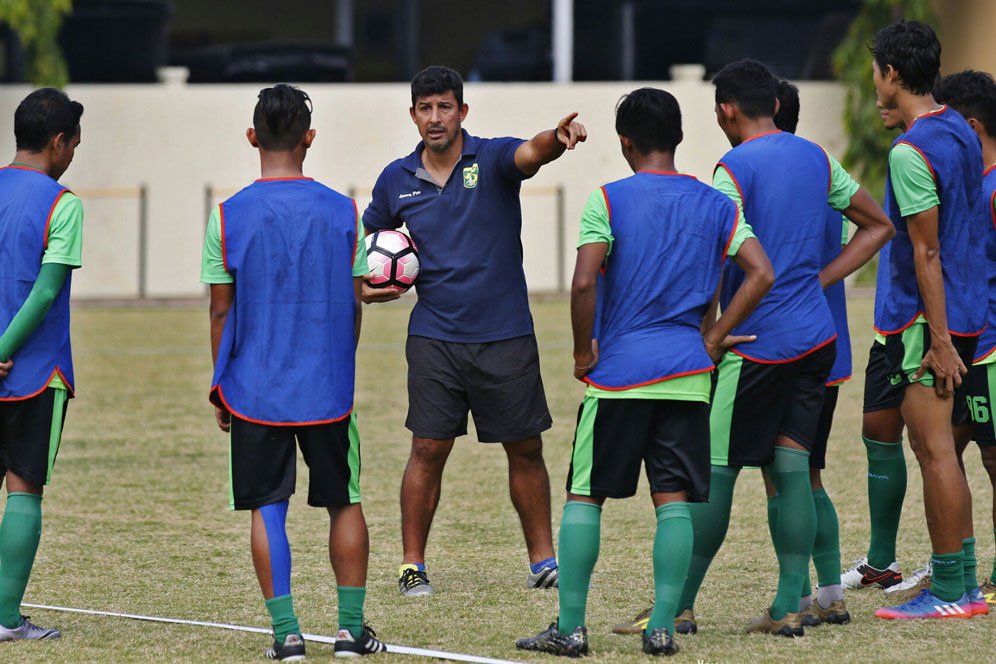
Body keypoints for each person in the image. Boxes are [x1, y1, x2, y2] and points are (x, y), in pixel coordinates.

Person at [516, 87, 773, 658]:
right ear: (678, 138)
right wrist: (709, 339)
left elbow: (584, 282)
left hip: (619, 377)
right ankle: (661, 626)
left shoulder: (606, 200)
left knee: (585, 495)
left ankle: (571, 628)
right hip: (688, 376)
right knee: (674, 500)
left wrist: (584, 353)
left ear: (625, 141)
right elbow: (760, 273)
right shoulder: (717, 206)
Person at [668, 59, 893, 638]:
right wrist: (818, 280)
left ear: (726, 110)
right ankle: (789, 605)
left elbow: (724, 261)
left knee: (714, 474)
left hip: (756, 344)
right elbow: (877, 226)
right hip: (817, 338)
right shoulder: (816, 156)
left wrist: (712, 336)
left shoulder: (731, 169)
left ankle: (678, 608)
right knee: (794, 467)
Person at [361, 66, 587, 596]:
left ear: (463, 112)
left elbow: (530, 152)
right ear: (413, 115)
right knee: (428, 449)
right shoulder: (395, 179)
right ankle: (412, 565)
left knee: (525, 449)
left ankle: (543, 560)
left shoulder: (491, 158)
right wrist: (363, 286)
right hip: (435, 337)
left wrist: (556, 138)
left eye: (445, 107)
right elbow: (368, 241)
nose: (435, 118)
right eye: (425, 108)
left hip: (505, 333)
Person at [202, 84, 385, 659]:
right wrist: (339, 360)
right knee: (344, 501)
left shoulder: (227, 217)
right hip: (327, 389)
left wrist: (221, 384)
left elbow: (220, 308)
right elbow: (354, 303)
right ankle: (351, 632)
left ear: (252, 137)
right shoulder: (344, 210)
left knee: (268, 509)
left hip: (254, 388)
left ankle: (286, 637)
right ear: (310, 138)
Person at [867, 21, 989, 621]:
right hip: (967, 310)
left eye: (875, 71)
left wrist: (938, 341)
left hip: (926, 321)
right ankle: (962, 584)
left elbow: (927, 252)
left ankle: (948, 593)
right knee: (942, 451)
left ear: (891, 73)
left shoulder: (910, 151)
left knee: (935, 450)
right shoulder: (961, 130)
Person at [760, 79, 853, 627]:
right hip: (830, 348)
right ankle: (831, 592)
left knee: (783, 476)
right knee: (811, 475)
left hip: (784, 349)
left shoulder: (766, 181)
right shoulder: (822, 174)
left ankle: (792, 597)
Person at [0, 88, 84, 642]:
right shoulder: (63, 202)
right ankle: (6, 620)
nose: (74, 153)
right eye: (75, 144)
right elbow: (44, 292)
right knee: (24, 490)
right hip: (34, 372)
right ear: (58, 143)